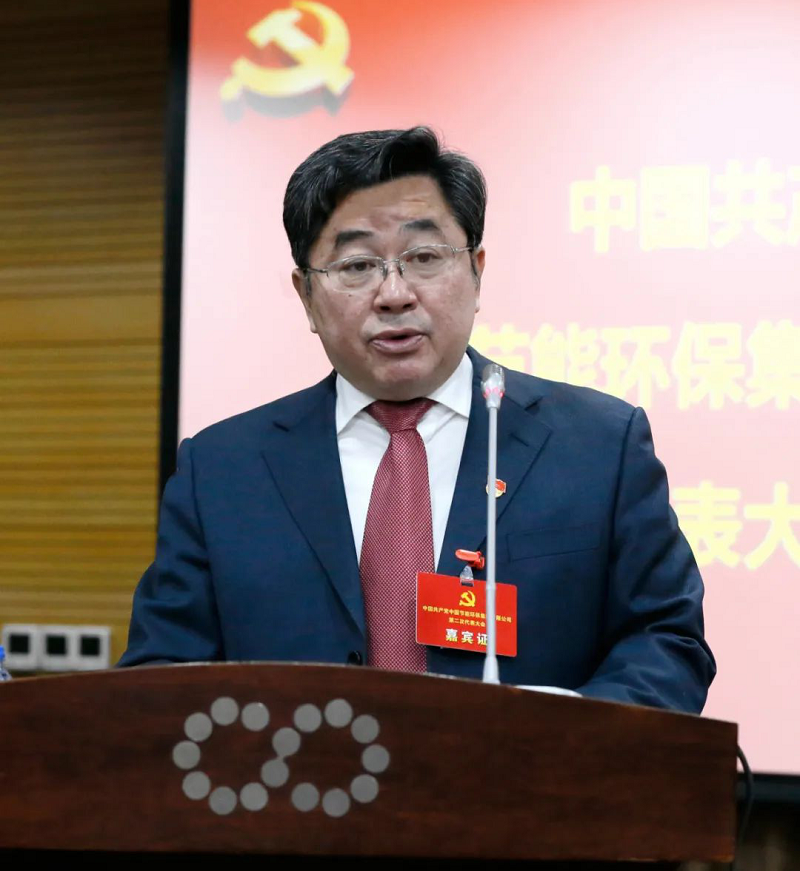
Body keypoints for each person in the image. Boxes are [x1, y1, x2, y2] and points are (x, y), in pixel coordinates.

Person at [119, 126, 715, 713]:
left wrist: (559, 741)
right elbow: (163, 675)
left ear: (476, 272)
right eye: (356, 265)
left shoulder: (599, 444)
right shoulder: (222, 470)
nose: (394, 294)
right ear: (306, 297)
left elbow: (666, 639)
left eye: (424, 257)